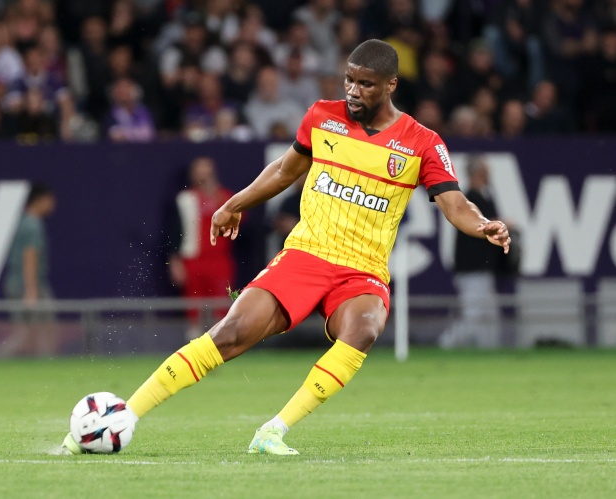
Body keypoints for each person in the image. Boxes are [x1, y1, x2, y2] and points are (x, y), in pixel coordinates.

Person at [62, 39, 511, 456]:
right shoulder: (322, 116)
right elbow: (283, 171)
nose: (353, 91)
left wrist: (482, 225)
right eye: (349, 80)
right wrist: (234, 204)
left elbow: (454, 203)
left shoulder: (422, 142)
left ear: (391, 85)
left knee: (364, 328)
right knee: (231, 333)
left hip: (362, 269)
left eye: (366, 84)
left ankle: (273, 431)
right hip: (306, 254)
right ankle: (126, 415)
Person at [438, 156, 504, 349]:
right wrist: (504, 224)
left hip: (482, 268)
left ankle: (489, 353)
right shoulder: (470, 199)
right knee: (473, 316)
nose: (489, 175)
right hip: (471, 269)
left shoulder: (485, 196)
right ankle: (446, 344)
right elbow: (485, 225)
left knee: (490, 316)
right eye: (485, 171)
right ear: (477, 173)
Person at [167, 157, 236, 340]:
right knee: (194, 306)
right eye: (199, 172)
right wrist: (175, 261)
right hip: (193, 259)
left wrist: (216, 196)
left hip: (219, 259)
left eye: (207, 172)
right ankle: (194, 344)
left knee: (220, 305)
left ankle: (220, 343)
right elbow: (174, 232)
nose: (203, 176)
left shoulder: (225, 197)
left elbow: (239, 221)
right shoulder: (185, 199)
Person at [0, 183, 57, 356]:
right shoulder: (33, 224)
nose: (53, 204)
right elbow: (29, 256)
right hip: (29, 285)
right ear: (39, 200)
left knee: (26, 334)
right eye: (50, 200)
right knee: (43, 331)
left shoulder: (22, 222)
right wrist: (31, 290)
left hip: (17, 283)